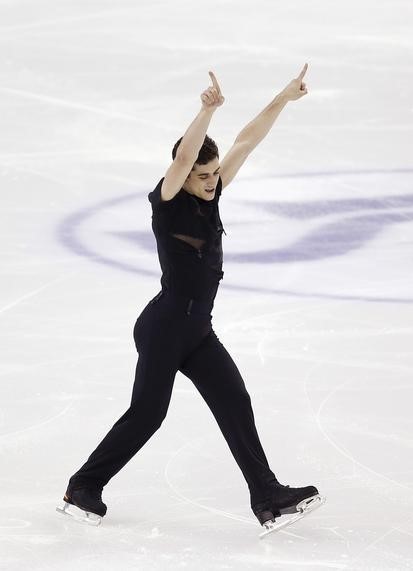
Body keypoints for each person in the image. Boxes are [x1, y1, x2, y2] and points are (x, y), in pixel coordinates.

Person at [57, 66, 324, 535]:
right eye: (202, 174)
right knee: (148, 415)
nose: (210, 180)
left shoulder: (213, 190)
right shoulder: (167, 200)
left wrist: (281, 98)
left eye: (214, 172)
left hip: (197, 328)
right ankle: (83, 485)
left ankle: (266, 496)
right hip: (164, 326)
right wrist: (206, 109)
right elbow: (183, 158)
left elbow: (245, 140)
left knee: (234, 400)